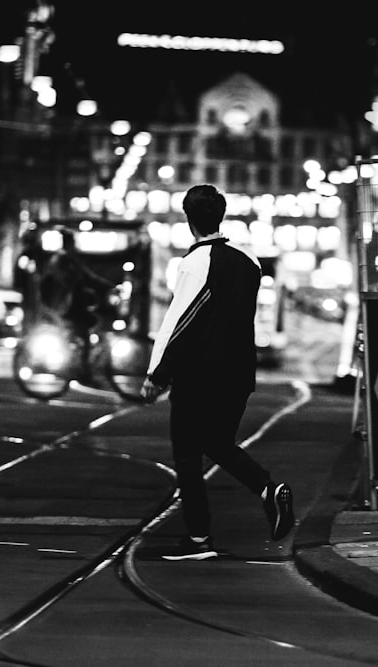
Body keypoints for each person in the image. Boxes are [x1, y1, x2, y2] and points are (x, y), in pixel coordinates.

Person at [140, 184, 294, 561]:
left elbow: (180, 320)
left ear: (188, 219)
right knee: (218, 442)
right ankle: (267, 490)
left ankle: (198, 540)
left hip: (200, 376)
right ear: (221, 215)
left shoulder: (195, 263)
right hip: (239, 373)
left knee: (188, 455)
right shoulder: (249, 261)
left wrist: (156, 373)